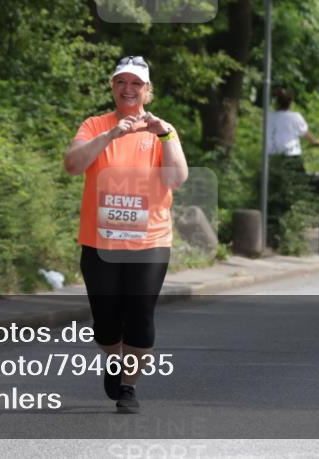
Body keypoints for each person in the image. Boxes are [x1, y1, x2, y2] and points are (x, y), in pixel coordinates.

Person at [63, 56, 188, 413]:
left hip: (149, 241)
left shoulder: (163, 130)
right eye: (122, 82)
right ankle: (114, 360)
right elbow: (73, 165)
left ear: (147, 91)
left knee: (139, 314)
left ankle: (128, 388)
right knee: (105, 322)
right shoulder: (95, 125)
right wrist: (111, 135)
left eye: (136, 83)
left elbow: (177, 178)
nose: (128, 89)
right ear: (113, 87)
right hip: (101, 241)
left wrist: (165, 134)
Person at [265, 87, 319, 248]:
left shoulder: (269, 117)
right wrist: (315, 141)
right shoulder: (295, 117)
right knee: (300, 187)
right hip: (291, 157)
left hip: (273, 157)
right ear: (291, 102)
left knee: (274, 188)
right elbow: (305, 133)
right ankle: (299, 215)